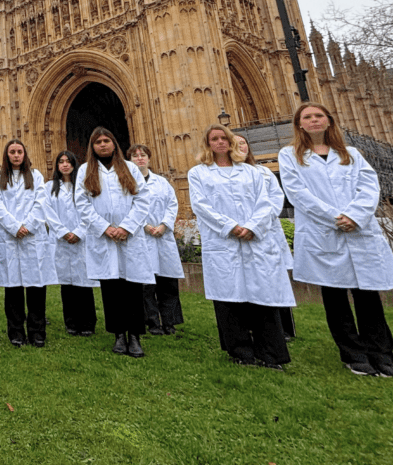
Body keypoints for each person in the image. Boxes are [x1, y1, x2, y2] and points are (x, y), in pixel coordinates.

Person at [279, 102, 393, 377]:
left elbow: (369, 186)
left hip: (358, 229)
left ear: (329, 121)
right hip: (324, 233)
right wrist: (335, 217)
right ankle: (353, 354)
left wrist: (355, 215)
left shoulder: (351, 153)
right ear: (299, 124)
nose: (314, 120)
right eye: (307, 117)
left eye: (319, 116)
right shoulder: (289, 155)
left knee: (368, 296)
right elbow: (297, 193)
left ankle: (382, 352)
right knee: (335, 298)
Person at [189, 124, 294, 370]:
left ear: (231, 142)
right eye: (214, 139)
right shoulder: (199, 173)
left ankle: (271, 353)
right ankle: (240, 351)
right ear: (208, 144)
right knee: (230, 298)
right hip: (224, 240)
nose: (220, 142)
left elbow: (267, 202)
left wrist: (253, 226)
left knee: (263, 298)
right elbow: (201, 205)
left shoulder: (253, 172)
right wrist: (230, 226)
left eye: (223, 138)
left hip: (254, 239)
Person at [75, 127, 151, 358]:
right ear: (92, 146)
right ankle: (118, 334)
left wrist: (127, 227)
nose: (103, 144)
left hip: (129, 236)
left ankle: (135, 336)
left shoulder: (130, 168)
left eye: (106, 140)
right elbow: (82, 204)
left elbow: (143, 200)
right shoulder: (85, 171)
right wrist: (104, 227)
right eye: (98, 141)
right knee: (111, 289)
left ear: (114, 143)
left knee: (133, 287)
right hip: (104, 238)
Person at [234, 134, 296, 341]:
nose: (239, 146)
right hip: (240, 232)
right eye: (234, 143)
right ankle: (253, 327)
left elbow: (275, 199)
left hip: (267, 230)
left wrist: (256, 224)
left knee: (275, 279)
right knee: (247, 281)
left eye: (242, 142)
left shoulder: (264, 172)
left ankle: (285, 328)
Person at [0, 139, 50, 347]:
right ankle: (16, 332)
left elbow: (41, 203)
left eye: (19, 152)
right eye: (12, 152)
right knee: (13, 288)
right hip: (10, 237)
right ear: (7, 155)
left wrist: (29, 226)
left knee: (36, 287)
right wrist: (15, 227)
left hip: (33, 238)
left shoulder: (36, 176)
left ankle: (37, 331)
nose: (16, 155)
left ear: (25, 154)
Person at [127, 144, 184, 336]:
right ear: (130, 161)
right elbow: (128, 208)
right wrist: (144, 225)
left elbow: (172, 204)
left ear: (149, 159)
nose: (140, 159)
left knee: (168, 282)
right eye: (135, 156)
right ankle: (152, 322)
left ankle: (170, 321)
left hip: (163, 236)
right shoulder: (128, 184)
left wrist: (164, 225)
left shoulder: (162, 182)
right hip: (142, 235)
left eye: (143, 155)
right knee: (146, 285)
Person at [42, 150, 98, 337]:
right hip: (61, 241)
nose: (65, 165)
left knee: (84, 283)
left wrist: (79, 232)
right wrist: (64, 232)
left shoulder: (83, 186)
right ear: (57, 166)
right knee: (66, 284)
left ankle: (88, 323)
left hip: (82, 240)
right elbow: (47, 211)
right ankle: (71, 323)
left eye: (68, 161)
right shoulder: (49, 187)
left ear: (74, 164)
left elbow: (91, 210)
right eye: (61, 162)